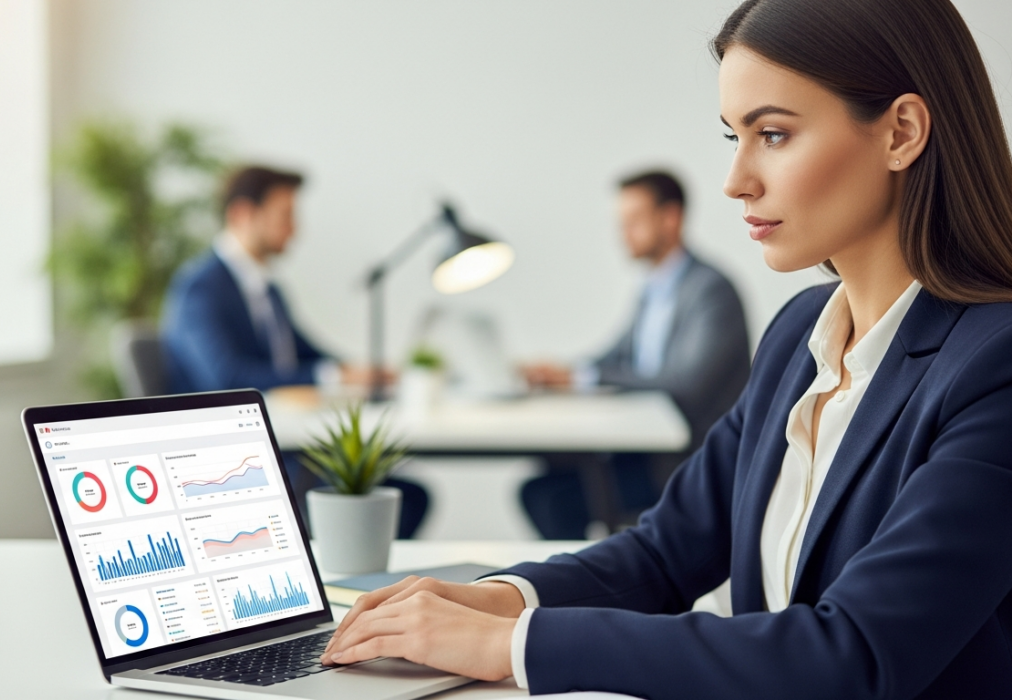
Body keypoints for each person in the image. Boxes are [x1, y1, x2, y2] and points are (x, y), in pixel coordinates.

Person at [314, 1, 1012, 697]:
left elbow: (854, 653)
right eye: (733, 137)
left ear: (901, 132)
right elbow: (664, 553)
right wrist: (500, 600)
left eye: (772, 133)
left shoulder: (994, 363)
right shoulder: (798, 338)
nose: (737, 181)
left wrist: (511, 645)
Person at [161, 166, 428, 538]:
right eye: (285, 215)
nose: (295, 229)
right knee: (398, 497)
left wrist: (354, 370)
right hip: (233, 460)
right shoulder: (201, 289)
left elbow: (304, 353)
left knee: (407, 495)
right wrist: (333, 376)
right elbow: (227, 376)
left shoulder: (268, 290)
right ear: (242, 214)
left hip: (283, 442)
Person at [521, 170, 750, 538]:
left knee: (551, 498)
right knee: (544, 481)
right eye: (621, 223)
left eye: (634, 221)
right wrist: (566, 371)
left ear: (670, 218)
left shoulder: (710, 291)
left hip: (685, 462)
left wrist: (583, 378)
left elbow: (685, 383)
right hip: (643, 451)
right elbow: (618, 355)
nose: (623, 233)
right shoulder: (654, 287)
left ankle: (579, 588)